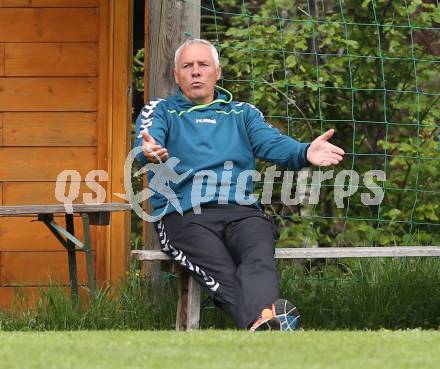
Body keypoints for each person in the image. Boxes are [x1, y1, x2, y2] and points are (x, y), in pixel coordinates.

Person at [134, 38, 344, 331]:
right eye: (188, 66)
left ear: (217, 72)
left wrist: (304, 152)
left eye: (203, 65)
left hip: (241, 211)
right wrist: (151, 152)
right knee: (222, 271)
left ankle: (262, 326)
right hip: (184, 215)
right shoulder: (161, 111)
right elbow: (148, 140)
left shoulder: (242, 113)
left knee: (258, 254)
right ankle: (267, 322)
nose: (196, 72)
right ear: (177, 74)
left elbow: (273, 143)